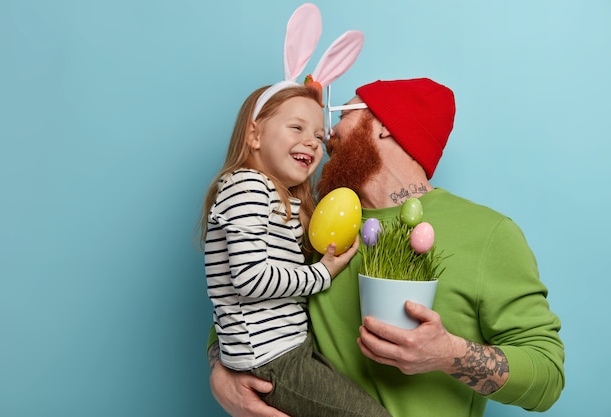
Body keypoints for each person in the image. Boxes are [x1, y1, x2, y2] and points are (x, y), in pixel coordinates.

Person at [207, 77, 565, 417]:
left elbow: (547, 376)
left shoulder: (488, 233)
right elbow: (242, 295)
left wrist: (449, 354)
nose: (327, 136)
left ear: (384, 124)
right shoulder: (316, 223)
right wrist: (221, 373)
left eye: (343, 115)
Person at [201, 82, 393, 417]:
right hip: (270, 357)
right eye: (296, 128)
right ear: (254, 135)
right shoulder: (247, 187)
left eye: (319, 136)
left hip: (287, 349)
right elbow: (250, 279)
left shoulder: (277, 196)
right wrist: (322, 274)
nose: (312, 142)